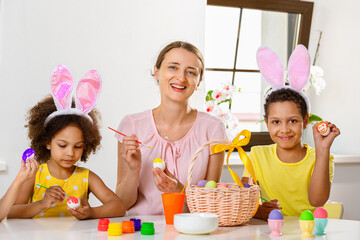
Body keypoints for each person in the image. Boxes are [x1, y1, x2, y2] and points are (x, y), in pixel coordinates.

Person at [116, 41, 226, 215]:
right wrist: (133, 170)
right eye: (173, 68)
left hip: (191, 231)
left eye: (191, 72)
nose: (181, 78)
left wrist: (179, 191)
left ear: (198, 82)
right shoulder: (131, 126)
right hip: (142, 231)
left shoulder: (213, 129)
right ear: (157, 72)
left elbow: (210, 206)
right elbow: (122, 204)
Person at [7, 65, 125, 219]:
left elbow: (119, 207)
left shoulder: (87, 177)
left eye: (78, 146)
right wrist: (42, 203)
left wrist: (92, 213)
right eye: (62, 145)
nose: (70, 153)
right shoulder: (35, 175)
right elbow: (11, 212)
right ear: (47, 142)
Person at [242, 45, 340, 219]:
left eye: (293, 121)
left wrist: (322, 149)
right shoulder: (256, 156)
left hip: (307, 232)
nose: (284, 129)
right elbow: (242, 201)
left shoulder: (321, 158)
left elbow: (317, 200)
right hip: (268, 233)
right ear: (267, 123)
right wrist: (258, 211)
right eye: (276, 122)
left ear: (305, 121)